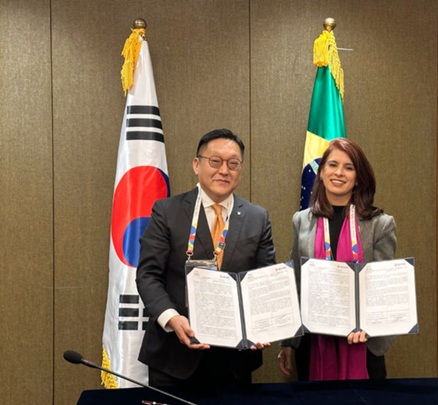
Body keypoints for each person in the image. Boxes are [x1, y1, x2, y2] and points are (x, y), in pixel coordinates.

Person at [136, 128, 276, 389]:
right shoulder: (167, 211)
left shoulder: (258, 218)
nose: (224, 170)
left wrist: (263, 324)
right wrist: (171, 318)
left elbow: (265, 280)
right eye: (215, 161)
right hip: (174, 358)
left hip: (235, 360)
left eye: (233, 164)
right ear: (196, 165)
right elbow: (148, 275)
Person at [278, 138, 397, 381]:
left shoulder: (380, 225)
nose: (339, 173)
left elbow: (383, 289)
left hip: (363, 343)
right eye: (332, 165)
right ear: (321, 172)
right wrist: (289, 342)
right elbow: (296, 283)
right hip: (313, 342)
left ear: (358, 177)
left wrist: (370, 331)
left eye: (348, 167)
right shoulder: (302, 221)